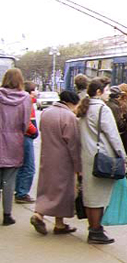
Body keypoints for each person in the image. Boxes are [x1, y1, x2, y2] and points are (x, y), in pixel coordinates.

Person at [76, 77, 127, 244]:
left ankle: (93, 228)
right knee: (99, 198)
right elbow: (112, 135)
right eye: (106, 90)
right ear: (99, 92)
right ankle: (96, 231)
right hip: (102, 156)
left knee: (91, 197)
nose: (108, 94)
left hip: (87, 155)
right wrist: (123, 156)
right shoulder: (101, 109)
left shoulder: (84, 107)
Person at [30, 91, 81, 235]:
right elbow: (73, 143)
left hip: (47, 156)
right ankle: (52, 221)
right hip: (64, 159)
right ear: (72, 103)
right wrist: (78, 166)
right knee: (64, 192)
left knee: (46, 189)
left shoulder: (46, 113)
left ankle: (46, 218)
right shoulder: (69, 117)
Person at [0, 69, 32, 225]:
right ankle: (7, 215)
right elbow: (25, 123)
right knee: (9, 181)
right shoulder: (25, 98)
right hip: (14, 141)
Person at [15, 80, 39, 204]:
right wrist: (34, 131)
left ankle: (18, 190)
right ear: (30, 92)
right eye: (35, 89)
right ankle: (22, 193)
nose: (37, 92)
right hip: (27, 136)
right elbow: (27, 121)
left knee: (21, 165)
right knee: (29, 167)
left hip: (20, 136)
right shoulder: (27, 101)